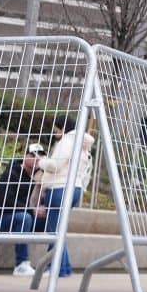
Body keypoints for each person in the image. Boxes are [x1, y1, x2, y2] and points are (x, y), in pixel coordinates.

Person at [35, 116, 96, 280]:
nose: (55, 132)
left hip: (59, 188)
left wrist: (41, 162)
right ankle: (64, 268)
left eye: (56, 129)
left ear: (63, 128)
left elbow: (55, 165)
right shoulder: (82, 146)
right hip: (74, 189)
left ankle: (56, 269)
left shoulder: (66, 142)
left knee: (54, 231)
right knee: (59, 231)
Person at [0, 143, 44, 277]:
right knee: (24, 217)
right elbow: (5, 201)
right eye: (33, 155)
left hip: (25, 218)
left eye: (40, 155)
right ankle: (21, 264)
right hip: (3, 218)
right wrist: (32, 210)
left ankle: (50, 264)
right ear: (25, 156)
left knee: (49, 219)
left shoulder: (38, 177)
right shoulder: (11, 173)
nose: (37, 158)